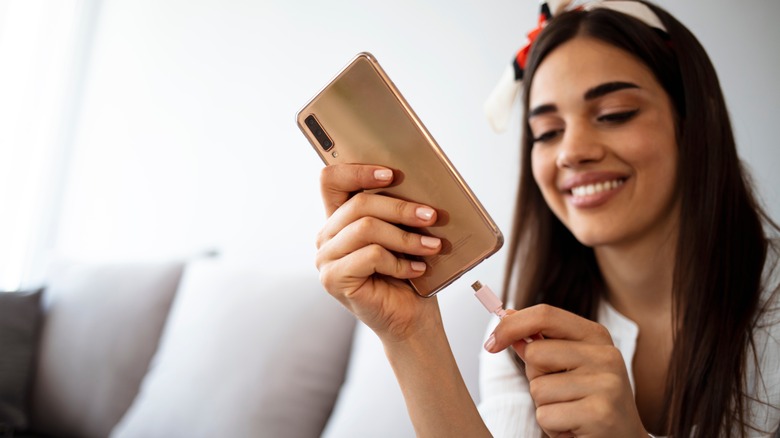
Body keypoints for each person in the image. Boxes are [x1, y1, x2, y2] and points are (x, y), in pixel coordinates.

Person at [314, 1, 780, 436]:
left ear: (692, 120)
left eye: (614, 114)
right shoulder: (523, 335)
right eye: (548, 131)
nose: (572, 152)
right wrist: (409, 335)